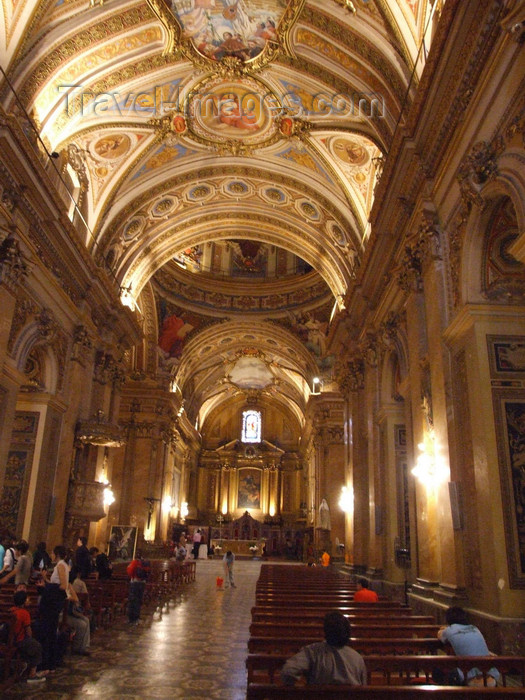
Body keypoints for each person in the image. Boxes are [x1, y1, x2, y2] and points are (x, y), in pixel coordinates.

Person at [281, 611, 366, 686]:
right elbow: (363, 687)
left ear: (325, 631)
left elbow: (288, 672)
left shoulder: (312, 652)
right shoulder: (357, 658)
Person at [436, 606, 500, 687]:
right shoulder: (475, 628)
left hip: (470, 676)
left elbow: (439, 635)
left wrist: (444, 629)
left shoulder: (450, 630)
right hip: (490, 676)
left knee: (438, 670)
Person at [37, 545, 69, 672]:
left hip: (52, 603)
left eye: (52, 552)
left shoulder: (60, 565)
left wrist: (47, 588)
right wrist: (45, 579)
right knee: (49, 631)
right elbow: (56, 584)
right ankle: (49, 661)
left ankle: (49, 662)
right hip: (52, 601)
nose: (51, 554)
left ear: (57, 554)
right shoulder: (61, 565)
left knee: (49, 631)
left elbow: (63, 586)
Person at [11, 590, 47, 683]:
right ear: (23, 601)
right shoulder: (24, 613)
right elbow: (28, 631)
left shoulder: (11, 610)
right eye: (27, 599)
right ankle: (32, 674)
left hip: (9, 640)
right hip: (19, 640)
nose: (28, 600)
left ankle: (24, 664)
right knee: (37, 646)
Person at [126, 552, 150, 625]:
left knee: (132, 601)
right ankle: (136, 618)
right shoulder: (146, 563)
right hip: (141, 583)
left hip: (134, 582)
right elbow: (148, 573)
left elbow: (129, 571)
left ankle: (131, 618)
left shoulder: (134, 562)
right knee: (138, 601)